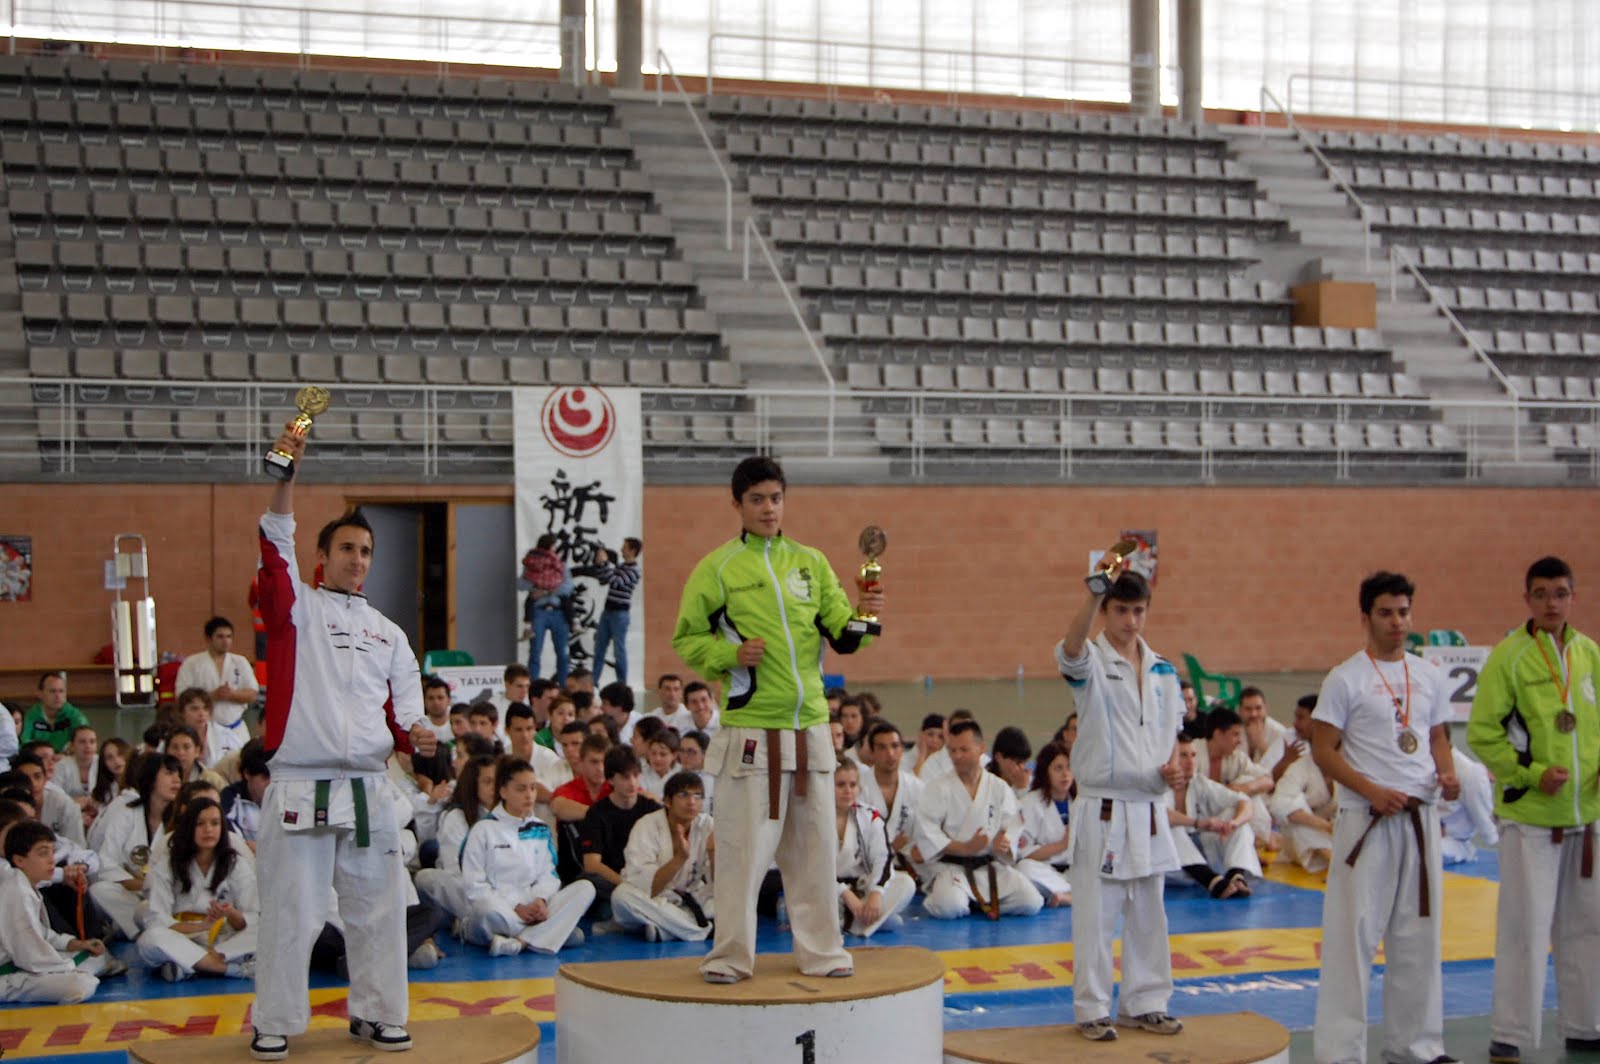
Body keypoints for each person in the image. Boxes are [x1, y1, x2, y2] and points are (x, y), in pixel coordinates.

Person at [249, 421, 437, 1062]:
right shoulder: (293, 611)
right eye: (347, 548)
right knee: (293, 912)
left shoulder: (390, 634)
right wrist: (287, 481)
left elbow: (408, 716)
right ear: (322, 557)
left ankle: (378, 1014)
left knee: (378, 911)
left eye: (367, 551)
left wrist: (420, 735)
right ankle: (273, 1020)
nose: (358, 559)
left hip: (368, 790)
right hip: (301, 783)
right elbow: (275, 546)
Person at [671, 455, 882, 984]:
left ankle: (823, 952)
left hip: (810, 726)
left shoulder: (810, 562)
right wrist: (728, 656)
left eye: (776, 498)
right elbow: (686, 638)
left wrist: (866, 610)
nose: (769, 508)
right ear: (737, 503)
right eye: (758, 500)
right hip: (751, 730)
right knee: (742, 853)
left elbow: (842, 634)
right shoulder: (716, 568)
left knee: (814, 851)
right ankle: (729, 957)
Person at [1311, 571, 1457, 1064]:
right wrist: (1372, 791)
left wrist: (1448, 773)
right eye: (1387, 613)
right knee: (1352, 940)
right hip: (1365, 823)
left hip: (1419, 819)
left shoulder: (1429, 673)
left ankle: (1416, 1046)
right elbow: (1323, 749)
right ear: (1366, 617)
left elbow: (1436, 736)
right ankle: (1339, 1054)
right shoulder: (1345, 677)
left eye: (1404, 612)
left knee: (1418, 936)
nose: (1398, 622)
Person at [1468, 555, 1600, 1064]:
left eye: (1560, 593)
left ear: (1573, 597)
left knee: (1587, 925)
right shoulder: (1511, 656)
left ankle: (1586, 1023)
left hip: (1586, 815)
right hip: (1532, 817)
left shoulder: (1589, 653)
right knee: (1526, 926)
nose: (1551, 603)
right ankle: (1512, 1032)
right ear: (1527, 599)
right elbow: (1483, 732)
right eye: (1541, 593)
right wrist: (1529, 774)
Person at [1056, 562, 1185, 1042]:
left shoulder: (1164, 671)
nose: (1131, 621)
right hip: (1103, 806)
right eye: (1121, 611)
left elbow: (1170, 733)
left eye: (1138, 611)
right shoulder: (1090, 662)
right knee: (1096, 913)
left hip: (1150, 806)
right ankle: (1092, 1008)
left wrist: (1172, 768)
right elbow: (1069, 650)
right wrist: (1091, 595)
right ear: (1106, 613)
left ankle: (1145, 1001)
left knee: (1150, 911)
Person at [460, 758, 593, 956]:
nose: (529, 795)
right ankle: (550, 933)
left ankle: (520, 942)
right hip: (502, 910)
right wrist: (516, 906)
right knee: (484, 909)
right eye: (521, 789)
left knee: (585, 888)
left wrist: (541, 900)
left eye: (532, 788)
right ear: (503, 791)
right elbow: (474, 886)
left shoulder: (540, 828)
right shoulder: (483, 830)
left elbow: (549, 876)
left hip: (535, 909)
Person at [914, 719, 1041, 921]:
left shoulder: (999, 787)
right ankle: (964, 898)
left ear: (981, 748)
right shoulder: (937, 788)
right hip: (951, 866)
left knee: (1031, 901)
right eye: (952, 750)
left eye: (963, 750)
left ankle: (975, 901)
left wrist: (1004, 845)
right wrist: (965, 848)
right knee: (949, 907)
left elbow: (1011, 826)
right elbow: (928, 834)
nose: (957, 756)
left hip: (988, 866)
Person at [0, 820, 123, 1003]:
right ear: (19, 860)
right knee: (82, 984)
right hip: (8, 976)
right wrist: (69, 966)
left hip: (23, 964)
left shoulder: (23, 885)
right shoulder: (17, 891)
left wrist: (76, 944)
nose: (52, 860)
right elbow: (30, 955)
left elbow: (40, 933)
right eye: (43, 853)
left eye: (52, 851)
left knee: (95, 958)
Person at [137, 797, 257, 981]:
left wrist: (230, 913)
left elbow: (253, 916)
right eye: (200, 824)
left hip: (224, 939)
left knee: (267, 931)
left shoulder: (234, 862)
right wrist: (202, 926)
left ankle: (188, 964)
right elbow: (157, 919)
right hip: (182, 935)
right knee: (151, 938)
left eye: (215, 823)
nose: (208, 830)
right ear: (188, 828)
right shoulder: (169, 862)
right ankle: (225, 969)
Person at [611, 771, 715, 942]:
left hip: (693, 898)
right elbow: (651, 888)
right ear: (667, 801)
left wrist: (713, 852)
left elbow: (719, 883)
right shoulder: (647, 826)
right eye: (683, 795)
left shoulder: (707, 825)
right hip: (653, 899)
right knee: (622, 896)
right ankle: (698, 931)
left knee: (732, 900)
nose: (691, 802)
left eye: (698, 796)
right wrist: (679, 859)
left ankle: (665, 930)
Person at [89, 753, 182, 940]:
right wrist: (141, 885)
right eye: (169, 773)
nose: (176, 780)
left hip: (169, 896)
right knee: (99, 890)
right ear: (151, 778)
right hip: (133, 892)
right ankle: (144, 931)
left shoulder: (181, 818)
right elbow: (107, 862)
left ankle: (136, 928)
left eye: (179, 775)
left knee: (150, 908)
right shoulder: (127, 813)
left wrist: (156, 888)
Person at [1166, 730, 1259, 898]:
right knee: (1168, 828)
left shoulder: (1199, 782)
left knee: (1236, 817)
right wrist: (1199, 823)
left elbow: (1244, 802)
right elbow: (1162, 815)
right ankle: (1212, 881)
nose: (1190, 762)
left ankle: (1236, 875)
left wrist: (1234, 824)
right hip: (1171, 865)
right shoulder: (1158, 786)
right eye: (1183, 755)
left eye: (1193, 755)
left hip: (1204, 855)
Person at [833, 760, 914, 936]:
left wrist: (875, 893)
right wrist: (845, 894)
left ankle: (855, 922)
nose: (848, 790)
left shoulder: (869, 815)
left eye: (853, 785)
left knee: (906, 884)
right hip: (828, 891)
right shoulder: (815, 819)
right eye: (840, 785)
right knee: (893, 922)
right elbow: (812, 867)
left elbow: (883, 858)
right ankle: (869, 922)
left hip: (861, 887)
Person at [414, 755, 497, 924]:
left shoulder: (509, 814)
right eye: (487, 782)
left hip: (504, 888)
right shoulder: (456, 817)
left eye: (498, 781)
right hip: (468, 888)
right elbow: (455, 869)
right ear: (473, 785)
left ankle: (487, 922)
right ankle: (479, 920)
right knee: (425, 878)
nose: (494, 788)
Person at [579, 747, 662, 915]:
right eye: (625, 777)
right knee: (587, 882)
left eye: (635, 775)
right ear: (610, 779)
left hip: (644, 876)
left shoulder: (652, 809)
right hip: (613, 879)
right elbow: (592, 863)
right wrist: (625, 885)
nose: (632, 783)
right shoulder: (597, 813)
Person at [1270, 695, 1336, 875]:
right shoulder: (1300, 765)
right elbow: (1278, 804)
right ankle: (1335, 864)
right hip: (1304, 844)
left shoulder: (1344, 761)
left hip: (1337, 838)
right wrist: (1325, 825)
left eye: (1301, 718)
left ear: (1317, 722)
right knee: (1300, 826)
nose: (1295, 724)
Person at [857, 721, 924, 885]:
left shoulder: (917, 787)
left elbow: (927, 831)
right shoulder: (858, 788)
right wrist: (890, 848)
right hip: (867, 868)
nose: (890, 753)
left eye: (895, 746)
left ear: (902, 750)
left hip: (911, 867)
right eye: (882, 747)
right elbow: (856, 841)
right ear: (872, 752)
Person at [175, 617, 259, 735]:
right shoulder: (192, 663)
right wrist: (211, 696)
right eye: (220, 636)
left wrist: (231, 694)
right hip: (204, 729)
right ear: (208, 639)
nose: (225, 641)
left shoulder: (240, 661)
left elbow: (253, 694)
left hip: (236, 728)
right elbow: (181, 697)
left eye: (229, 636)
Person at [578, 539, 642, 685]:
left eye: (624, 548)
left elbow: (616, 582)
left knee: (619, 651)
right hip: (607, 612)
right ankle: (594, 682)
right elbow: (604, 579)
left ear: (632, 551)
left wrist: (606, 563)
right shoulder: (622, 566)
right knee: (599, 648)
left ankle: (622, 683)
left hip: (620, 615)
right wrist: (600, 564)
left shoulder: (634, 570)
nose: (621, 550)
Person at [1017, 739, 1073, 907]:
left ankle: (1066, 896)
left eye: (1069, 767)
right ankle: (1071, 895)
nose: (1065, 774)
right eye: (1058, 768)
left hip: (1075, 871)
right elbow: (1023, 853)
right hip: (1044, 870)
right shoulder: (1030, 803)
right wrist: (1062, 845)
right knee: (1024, 869)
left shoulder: (1081, 802)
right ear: (1045, 772)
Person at [521, 534, 573, 686]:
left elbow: (568, 586)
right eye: (553, 546)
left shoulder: (560, 564)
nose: (555, 550)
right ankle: (534, 687)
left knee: (562, 653)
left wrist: (545, 591)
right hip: (539, 611)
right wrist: (533, 587)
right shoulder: (532, 564)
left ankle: (564, 687)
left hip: (558, 611)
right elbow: (521, 583)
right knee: (535, 652)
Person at [177, 688, 247, 771]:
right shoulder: (173, 737)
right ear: (182, 713)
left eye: (205, 708)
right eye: (194, 709)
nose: (201, 713)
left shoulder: (227, 736)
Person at [20, 674, 89, 754]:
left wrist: (66, 754)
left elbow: (85, 742)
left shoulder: (75, 716)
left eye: (61, 691)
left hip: (68, 760)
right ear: (40, 694)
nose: (58, 696)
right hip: (38, 760)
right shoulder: (30, 716)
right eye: (52, 691)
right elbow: (24, 744)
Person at [598, 682, 641, 746]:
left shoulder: (641, 725)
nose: (601, 707)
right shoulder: (599, 723)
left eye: (605, 703)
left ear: (619, 707)